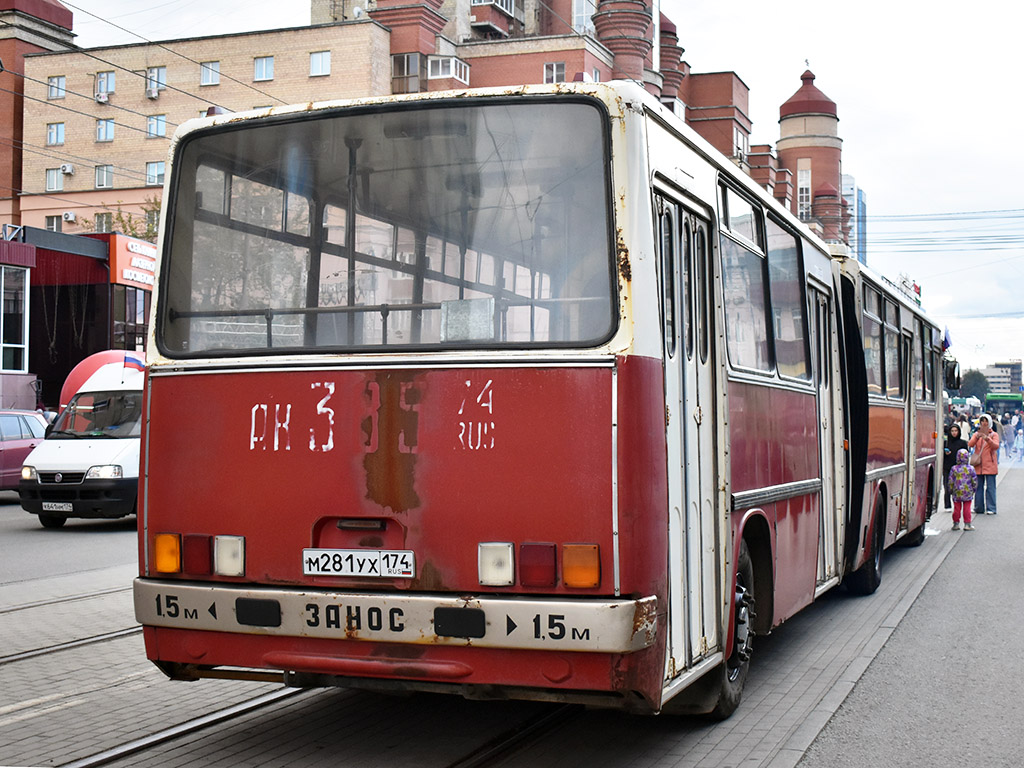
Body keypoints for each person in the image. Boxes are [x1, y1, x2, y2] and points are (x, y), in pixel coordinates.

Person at [968, 413, 1000, 514]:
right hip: (978, 465)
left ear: (989, 422)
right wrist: (977, 437)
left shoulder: (994, 435)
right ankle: (978, 507)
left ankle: (991, 508)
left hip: (990, 465)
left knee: (990, 488)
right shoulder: (976, 434)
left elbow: (996, 446)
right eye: (982, 421)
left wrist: (987, 438)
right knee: (978, 487)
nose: (984, 423)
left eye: (986, 421)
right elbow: (970, 444)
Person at [948, 448, 978, 531]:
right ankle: (967, 524)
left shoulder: (954, 468)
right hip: (967, 491)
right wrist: (974, 489)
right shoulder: (971, 468)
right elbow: (974, 480)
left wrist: (950, 490)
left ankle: (956, 524)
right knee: (967, 508)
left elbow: (951, 480)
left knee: (957, 508)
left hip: (957, 492)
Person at [942, 423, 968, 510]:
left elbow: (966, 455)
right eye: (952, 431)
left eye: (956, 431)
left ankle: (957, 504)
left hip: (959, 468)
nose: (954, 433)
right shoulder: (945, 443)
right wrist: (945, 453)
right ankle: (947, 505)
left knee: (957, 486)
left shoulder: (962, 443)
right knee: (947, 486)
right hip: (947, 467)